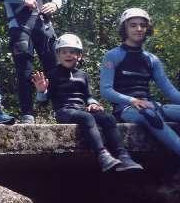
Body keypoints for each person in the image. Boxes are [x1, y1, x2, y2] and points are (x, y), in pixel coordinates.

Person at [100, 8, 180, 181]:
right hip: (127, 108)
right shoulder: (112, 55)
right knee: (149, 113)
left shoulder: (152, 59)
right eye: (133, 25)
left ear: (147, 29)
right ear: (125, 29)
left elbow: (170, 91)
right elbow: (106, 90)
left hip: (151, 104)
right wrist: (132, 100)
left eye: (143, 25)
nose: (138, 29)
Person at [33, 33, 142, 172]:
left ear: (79, 55)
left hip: (81, 110)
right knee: (87, 117)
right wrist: (42, 91)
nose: (68, 55)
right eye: (64, 52)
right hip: (64, 111)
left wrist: (93, 103)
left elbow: (88, 96)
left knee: (108, 118)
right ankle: (102, 155)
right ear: (58, 55)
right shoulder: (52, 74)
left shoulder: (82, 75)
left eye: (72, 52)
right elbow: (43, 102)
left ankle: (123, 156)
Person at [0, 0, 62, 124]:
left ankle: (60, 108)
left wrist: (55, 5)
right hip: (20, 27)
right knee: (24, 70)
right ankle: (27, 113)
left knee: (54, 68)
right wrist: (21, 0)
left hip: (43, 26)